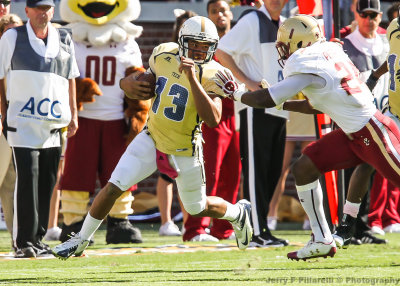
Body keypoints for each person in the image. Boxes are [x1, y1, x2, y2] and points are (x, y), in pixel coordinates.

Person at [51, 16, 253, 260]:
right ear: (181, 41)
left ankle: (237, 213)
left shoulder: (215, 73)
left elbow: (212, 119)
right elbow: (139, 82)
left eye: (204, 45)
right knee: (114, 186)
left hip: (185, 148)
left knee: (196, 208)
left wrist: (192, 78)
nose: (199, 50)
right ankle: (81, 240)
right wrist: (127, 84)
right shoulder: (163, 55)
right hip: (151, 136)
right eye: (194, 44)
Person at [214, 14, 400, 260]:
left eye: (285, 44)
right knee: (304, 167)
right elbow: (317, 104)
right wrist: (283, 105)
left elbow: (263, 98)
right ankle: (322, 238)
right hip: (352, 132)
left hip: (374, 131)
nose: (283, 50)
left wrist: (234, 92)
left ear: (301, 43)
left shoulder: (305, 64)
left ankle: (334, 232)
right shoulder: (327, 54)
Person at [58, 0, 147, 245]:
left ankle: (119, 222)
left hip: (117, 120)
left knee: (121, 173)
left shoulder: (128, 41)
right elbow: (60, 76)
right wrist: (76, 92)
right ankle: (73, 222)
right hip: (81, 119)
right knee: (76, 174)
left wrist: (138, 110)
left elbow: (138, 77)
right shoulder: (70, 38)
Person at [0, 0, 79, 258]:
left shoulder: (65, 38)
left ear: (53, 11)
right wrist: (3, 113)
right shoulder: (12, 37)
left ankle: (38, 239)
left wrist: (74, 114)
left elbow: (71, 78)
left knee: (47, 181)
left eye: (46, 8)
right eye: (36, 8)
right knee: (27, 179)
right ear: (27, 11)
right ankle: (23, 242)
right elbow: (1, 77)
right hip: (21, 122)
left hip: (54, 124)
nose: (41, 13)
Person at [215, 0, 289, 247]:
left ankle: (261, 229)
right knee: (256, 173)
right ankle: (256, 233)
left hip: (279, 107)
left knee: (271, 173)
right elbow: (221, 51)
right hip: (255, 107)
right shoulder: (251, 20)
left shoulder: (284, 25)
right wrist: (247, 82)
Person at [333, 7, 400, 244]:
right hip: (387, 111)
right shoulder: (393, 28)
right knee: (367, 162)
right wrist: (374, 76)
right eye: (366, 14)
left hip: (390, 111)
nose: (370, 19)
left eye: (374, 15)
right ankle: (350, 222)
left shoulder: (389, 29)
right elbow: (391, 61)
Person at [182, 0, 241, 242]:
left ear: (231, 13)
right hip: (210, 116)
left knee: (232, 174)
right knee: (209, 174)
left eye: (223, 10)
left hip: (235, 114)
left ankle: (223, 229)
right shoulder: (204, 45)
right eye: (214, 12)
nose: (219, 15)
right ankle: (195, 229)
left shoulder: (240, 40)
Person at [157, 9, 197, 237]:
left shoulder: (203, 55)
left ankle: (189, 222)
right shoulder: (165, 54)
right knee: (166, 173)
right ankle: (165, 221)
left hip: (189, 122)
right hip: (167, 120)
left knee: (186, 172)